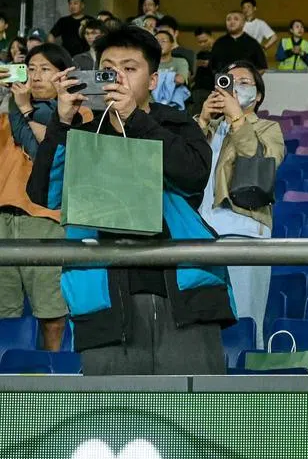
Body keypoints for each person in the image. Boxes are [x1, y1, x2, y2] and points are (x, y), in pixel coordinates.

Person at [28, 26, 235, 375]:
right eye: (108, 68)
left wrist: (133, 119)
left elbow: (193, 176)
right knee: (112, 419)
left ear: (153, 80)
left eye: (130, 68)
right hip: (106, 298)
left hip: (183, 296)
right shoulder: (81, 130)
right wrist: (62, 121)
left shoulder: (176, 123)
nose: (117, 77)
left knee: (196, 415)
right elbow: (44, 192)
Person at [0, 44, 87, 352]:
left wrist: (23, 109)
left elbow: (45, 153)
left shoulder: (79, 113)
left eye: (46, 69)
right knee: (4, 314)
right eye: (30, 68)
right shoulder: (6, 114)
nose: (35, 76)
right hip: (4, 219)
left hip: (45, 220)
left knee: (52, 313)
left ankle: (54, 381)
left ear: (63, 75)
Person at [196, 61, 284, 348]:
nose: (235, 85)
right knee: (203, 324)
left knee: (244, 319)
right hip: (199, 234)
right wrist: (201, 122)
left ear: (257, 95)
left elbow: (259, 162)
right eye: (228, 79)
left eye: (243, 81)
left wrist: (237, 120)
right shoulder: (208, 127)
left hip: (242, 231)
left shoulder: (269, 127)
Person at [208, 11, 267, 76]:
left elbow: (262, 68)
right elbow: (212, 66)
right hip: (224, 82)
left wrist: (250, 79)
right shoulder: (219, 42)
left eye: (236, 19)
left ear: (243, 23)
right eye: (228, 19)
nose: (232, 22)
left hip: (245, 84)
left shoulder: (252, 43)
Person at [190, 28, 216, 114]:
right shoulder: (200, 54)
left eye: (205, 41)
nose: (202, 44)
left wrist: (209, 64)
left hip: (213, 89)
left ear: (211, 37)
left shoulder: (219, 52)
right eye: (199, 42)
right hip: (198, 89)